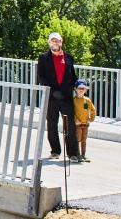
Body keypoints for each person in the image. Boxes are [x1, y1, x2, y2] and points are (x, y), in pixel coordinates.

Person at [36, 32, 82, 162]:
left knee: (70, 125)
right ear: (49, 43)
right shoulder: (43, 58)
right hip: (51, 97)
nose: (55, 43)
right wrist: (53, 91)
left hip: (66, 97)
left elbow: (72, 75)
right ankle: (55, 151)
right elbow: (41, 77)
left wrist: (78, 85)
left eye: (57, 40)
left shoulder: (68, 57)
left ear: (61, 42)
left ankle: (73, 153)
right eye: (52, 41)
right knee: (52, 124)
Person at [73, 79, 97, 162]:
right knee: (77, 139)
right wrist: (75, 120)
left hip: (85, 124)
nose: (81, 90)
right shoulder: (74, 100)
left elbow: (92, 109)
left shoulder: (87, 100)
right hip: (77, 124)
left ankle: (83, 155)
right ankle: (78, 154)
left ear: (86, 90)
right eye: (79, 88)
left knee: (84, 140)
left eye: (83, 89)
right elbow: (71, 112)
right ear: (75, 89)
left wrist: (91, 119)